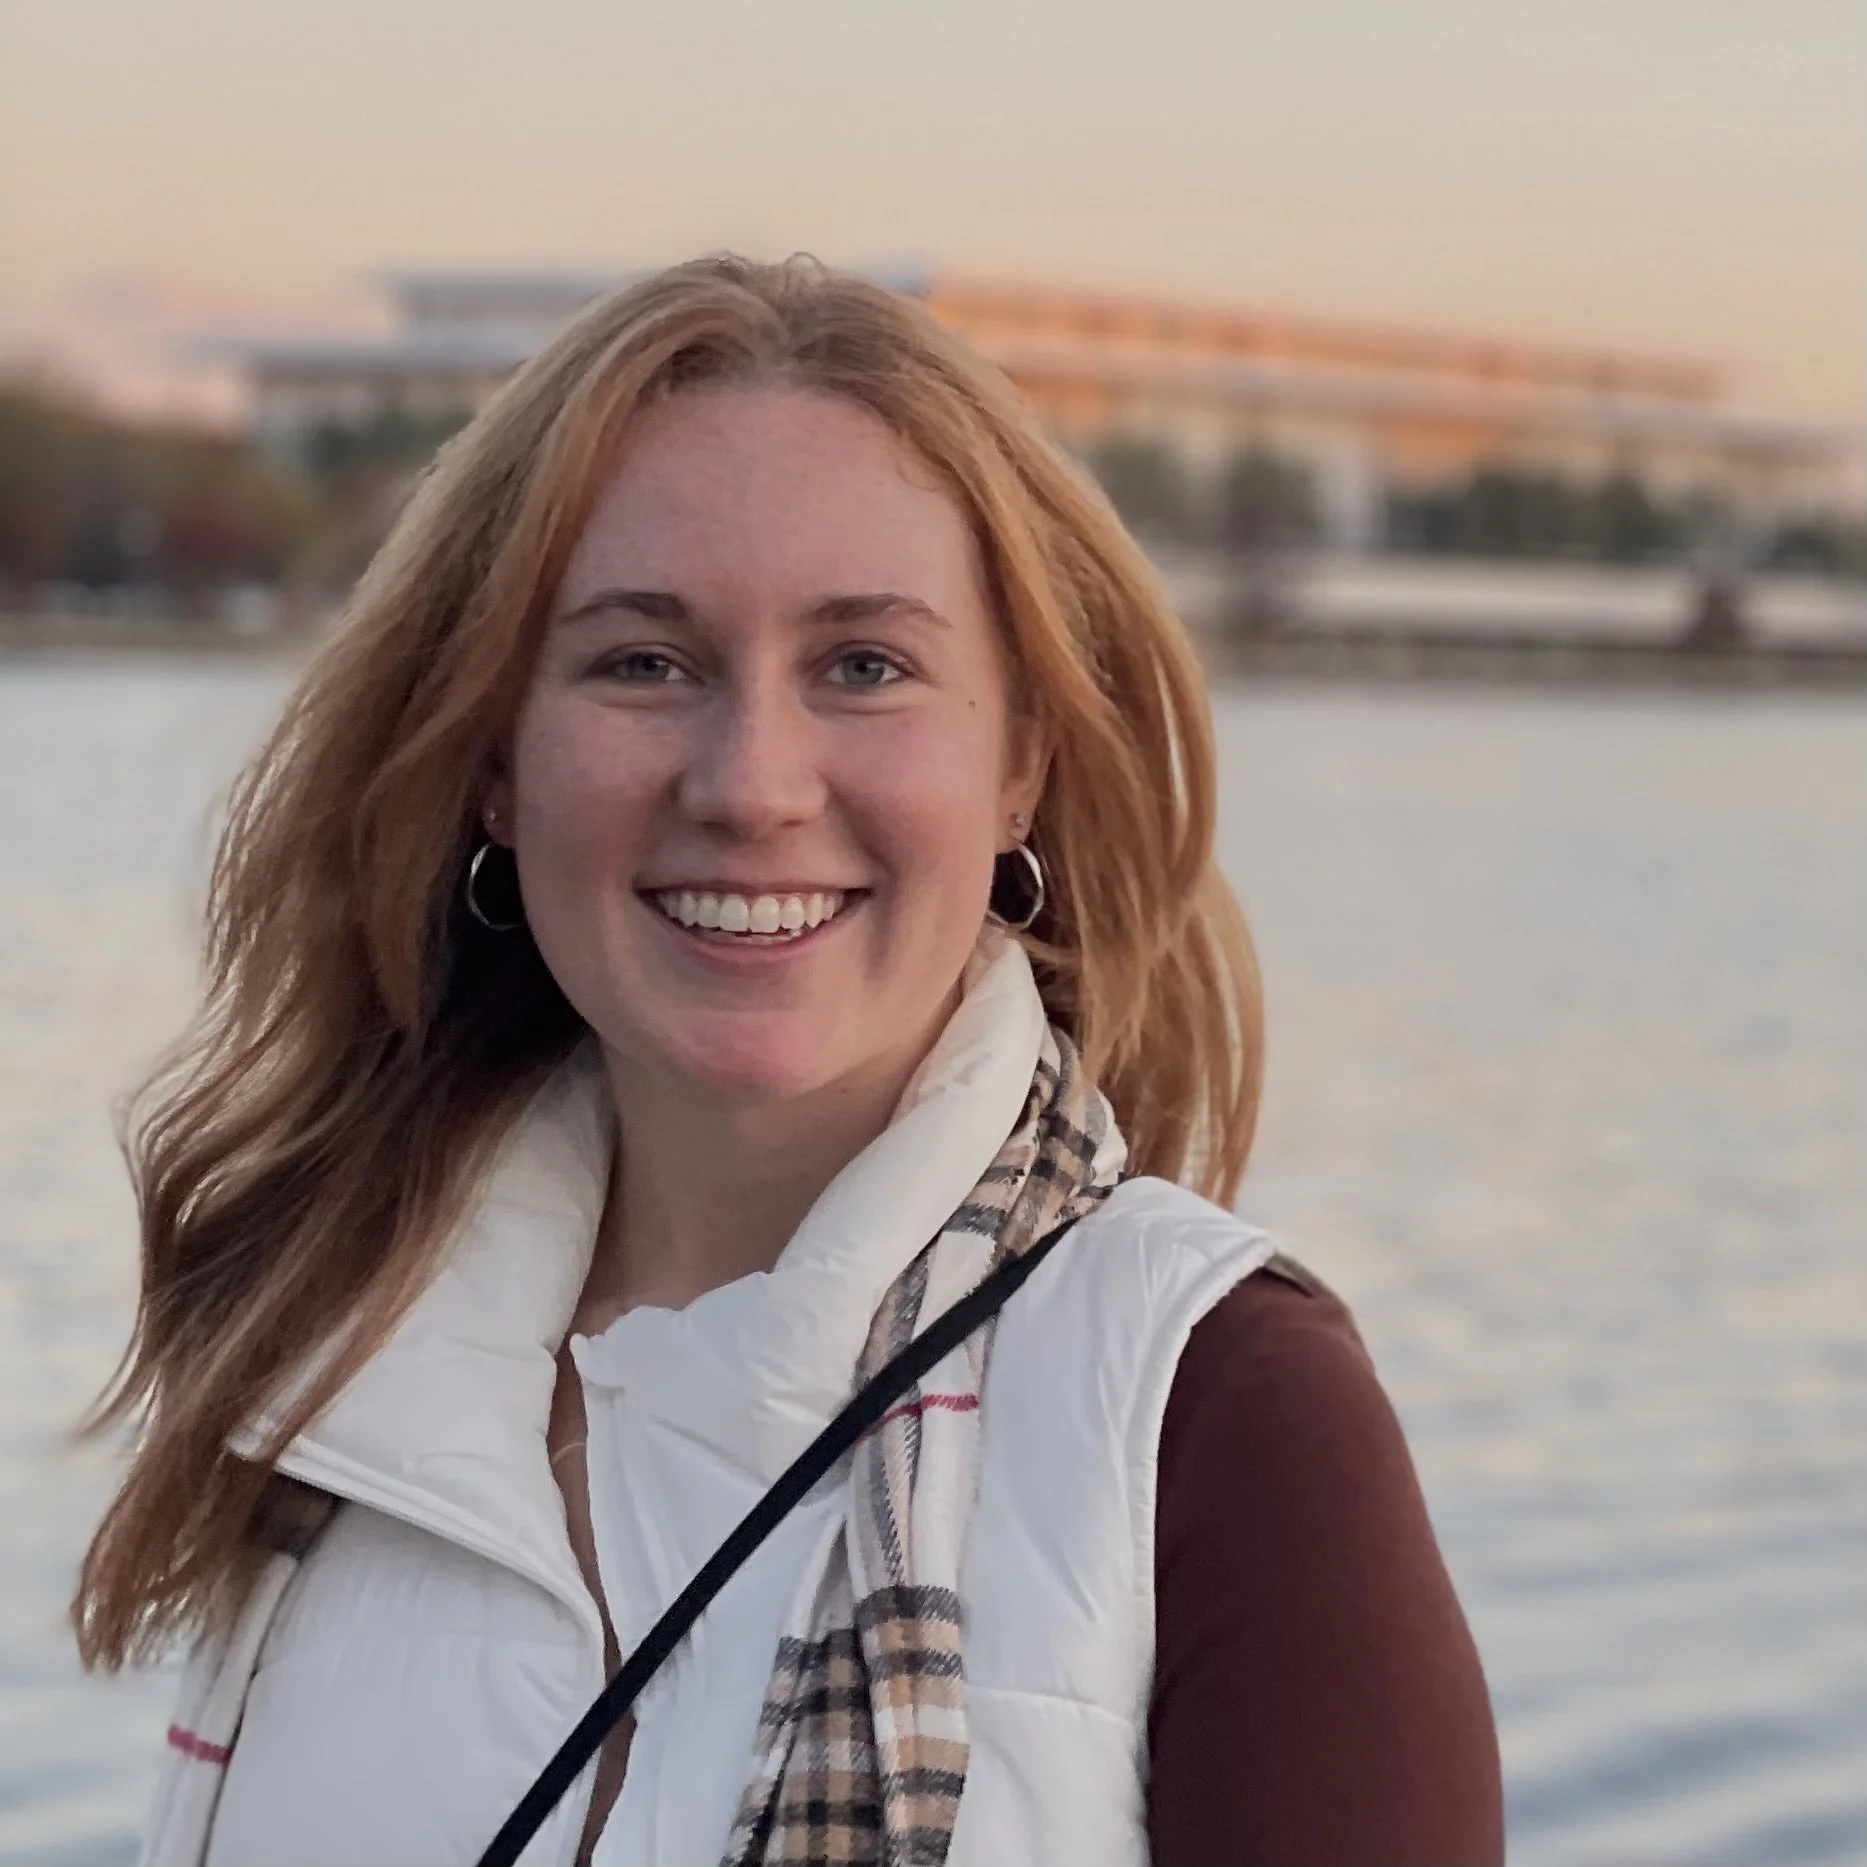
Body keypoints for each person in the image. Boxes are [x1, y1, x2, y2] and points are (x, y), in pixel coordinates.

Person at [75, 256, 1503, 1866]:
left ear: (1018, 761)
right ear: (492, 761)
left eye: (864, 666)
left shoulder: (1215, 1408)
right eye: (642, 661)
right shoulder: (330, 1368)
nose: (750, 783)